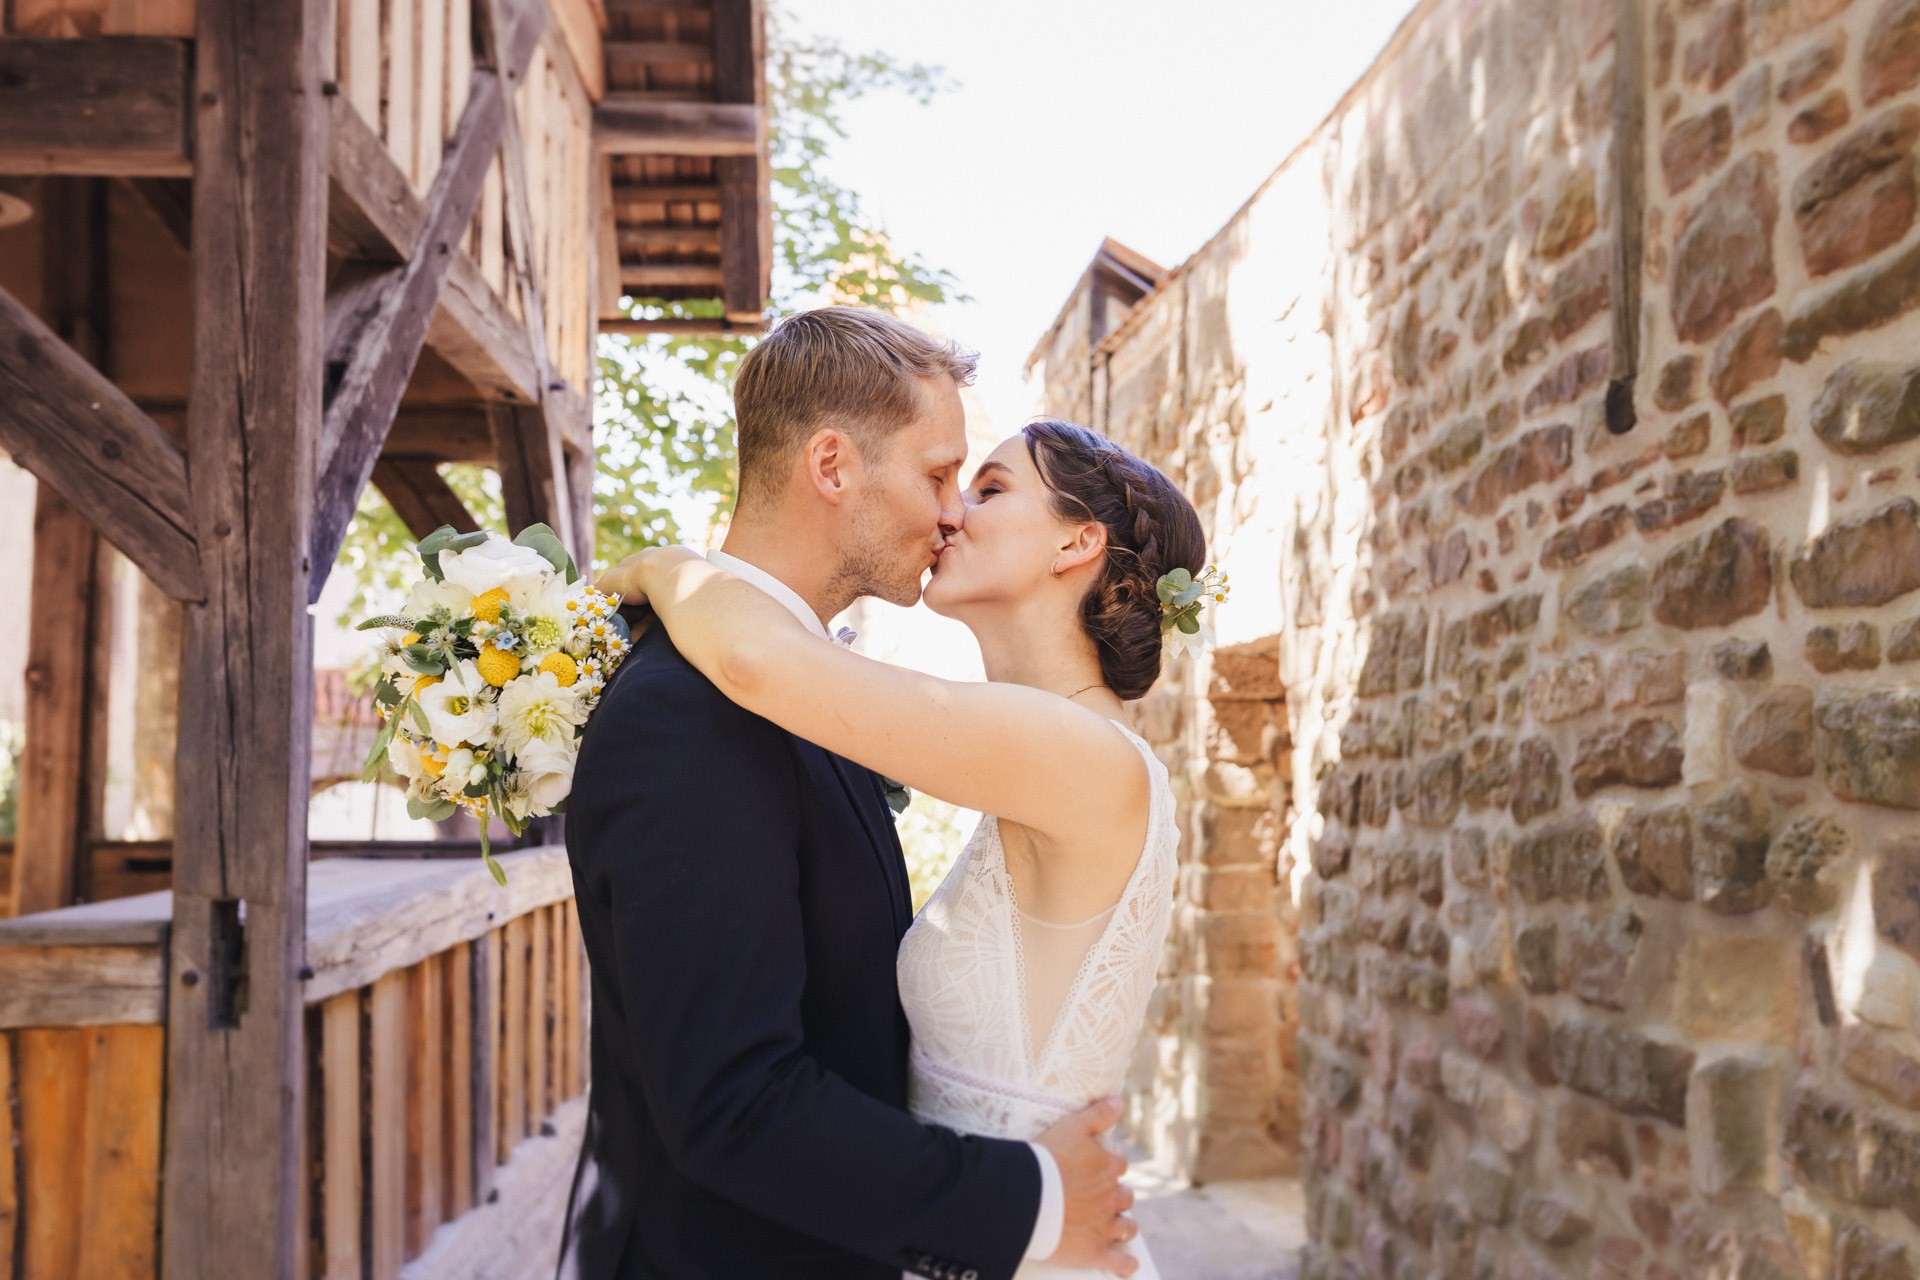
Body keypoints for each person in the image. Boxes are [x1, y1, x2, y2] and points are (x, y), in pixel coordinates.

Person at [558, 308, 1182, 1280]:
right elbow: (733, 1095)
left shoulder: (1059, 748)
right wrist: (1029, 1197)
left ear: (1078, 545)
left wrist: (668, 567)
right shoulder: (699, 708)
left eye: (984, 486)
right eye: (943, 477)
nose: (952, 513)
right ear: (833, 465)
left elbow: (759, 658)